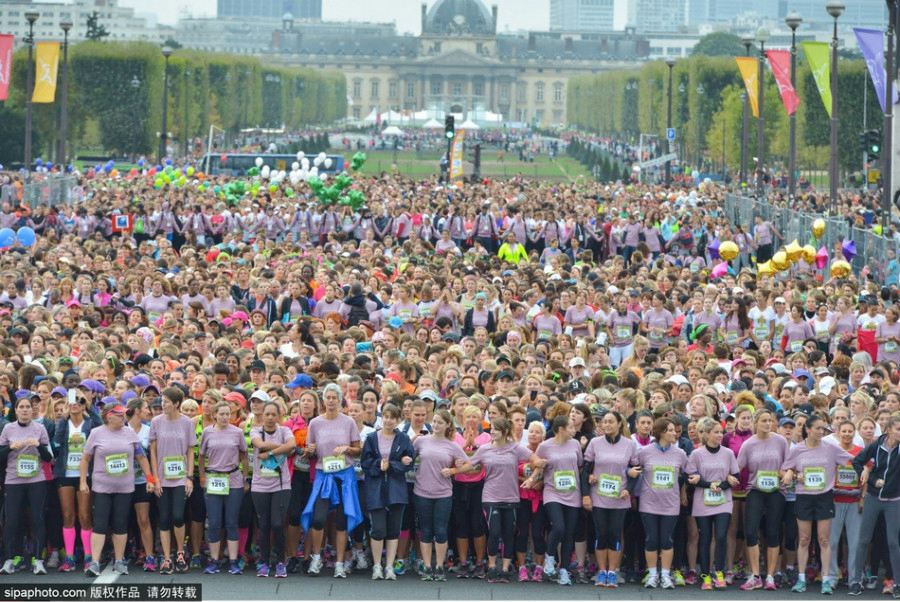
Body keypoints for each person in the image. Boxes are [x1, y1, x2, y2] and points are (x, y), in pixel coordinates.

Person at [79, 403, 154, 576]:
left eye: (124, 414)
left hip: (125, 487)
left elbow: (141, 457)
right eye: (119, 414)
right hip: (102, 487)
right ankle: (95, 563)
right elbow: (85, 459)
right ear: (108, 416)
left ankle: (119, 561)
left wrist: (150, 479)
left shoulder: (129, 433)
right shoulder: (96, 433)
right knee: (100, 524)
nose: (123, 417)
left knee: (120, 524)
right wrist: (83, 482)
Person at [782, 414, 853, 594]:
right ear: (808, 429)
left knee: (824, 539)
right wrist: (793, 475)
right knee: (804, 539)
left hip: (824, 496)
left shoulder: (831, 448)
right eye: (818, 428)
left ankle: (827, 580)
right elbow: (785, 470)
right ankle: (801, 579)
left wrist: (868, 465)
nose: (821, 431)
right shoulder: (797, 449)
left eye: (823, 428)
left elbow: (852, 461)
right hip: (804, 497)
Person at [302, 383, 362, 578]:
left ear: (339, 400)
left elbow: (358, 449)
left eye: (334, 398)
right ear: (323, 400)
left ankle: (339, 562)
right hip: (323, 474)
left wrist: (346, 449)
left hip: (344, 475)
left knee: (342, 521)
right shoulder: (315, 423)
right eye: (327, 397)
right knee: (318, 519)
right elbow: (310, 452)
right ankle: (316, 557)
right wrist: (309, 452)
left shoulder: (349, 422)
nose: (330, 401)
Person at [476, 416, 542, 583]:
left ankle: (505, 568)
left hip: (512, 497)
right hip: (491, 496)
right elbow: (471, 465)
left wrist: (532, 478)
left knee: (508, 534)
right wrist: (454, 470)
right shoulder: (484, 449)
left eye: (495, 429)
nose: (491, 431)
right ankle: (491, 567)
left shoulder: (515, 448)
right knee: (495, 532)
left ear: (504, 432)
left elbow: (537, 461)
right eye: (491, 428)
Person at [412, 408, 471, 581]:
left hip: (443, 493)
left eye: (440, 422)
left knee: (441, 530)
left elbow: (469, 464)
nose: (436, 425)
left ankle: (439, 566)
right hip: (422, 491)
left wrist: (453, 470)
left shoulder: (452, 445)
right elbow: (407, 454)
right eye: (435, 421)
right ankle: (427, 565)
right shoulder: (421, 441)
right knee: (426, 530)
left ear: (447, 425)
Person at [630, 417, 688, 589]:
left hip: (671, 504)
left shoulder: (680, 454)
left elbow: (687, 474)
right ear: (661, 432)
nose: (674, 433)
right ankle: (653, 574)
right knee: (651, 540)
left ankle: (665, 575)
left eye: (675, 430)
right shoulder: (644, 452)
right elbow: (631, 468)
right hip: (649, 503)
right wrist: (629, 473)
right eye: (670, 430)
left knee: (666, 540)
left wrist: (685, 491)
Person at [361, 403, 414, 580]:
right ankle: (377, 565)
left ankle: (389, 566)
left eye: (392, 417)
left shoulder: (404, 439)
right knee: (378, 528)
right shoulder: (371, 438)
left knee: (393, 529)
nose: (389, 420)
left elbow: (409, 462)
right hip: (375, 488)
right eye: (386, 416)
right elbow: (365, 463)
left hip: (396, 489)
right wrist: (379, 465)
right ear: (381, 417)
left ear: (398, 420)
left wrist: (393, 465)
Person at [737, 408, 789, 591]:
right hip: (756, 490)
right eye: (764, 421)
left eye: (770, 420)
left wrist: (786, 473)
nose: (768, 424)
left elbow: (789, 465)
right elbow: (737, 467)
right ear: (755, 423)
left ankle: (770, 576)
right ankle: (755, 575)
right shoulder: (749, 444)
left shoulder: (781, 441)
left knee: (773, 532)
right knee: (751, 532)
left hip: (776, 490)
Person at [0, 396, 53, 574]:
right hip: (13, 480)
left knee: (37, 518)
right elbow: (0, 457)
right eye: (21, 407)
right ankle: (9, 559)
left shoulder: (40, 428)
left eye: (27, 407)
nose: (24, 410)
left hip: (36, 480)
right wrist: (10, 448)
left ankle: (38, 559)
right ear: (16, 410)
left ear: (33, 410)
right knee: (12, 520)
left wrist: (38, 445)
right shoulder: (8, 428)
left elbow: (48, 458)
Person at [685, 416, 739, 590]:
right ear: (707, 434)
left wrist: (724, 485)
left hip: (723, 500)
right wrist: (709, 485)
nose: (720, 435)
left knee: (721, 536)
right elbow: (691, 476)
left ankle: (719, 573)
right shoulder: (697, 454)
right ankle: (705, 576)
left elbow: (735, 476)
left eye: (721, 432)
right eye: (716, 432)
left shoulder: (728, 453)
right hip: (703, 501)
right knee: (705, 537)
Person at [582, 410, 634, 588]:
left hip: (619, 498)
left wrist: (629, 489)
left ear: (620, 424)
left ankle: (612, 572)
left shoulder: (629, 444)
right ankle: (601, 571)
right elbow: (586, 470)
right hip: (599, 496)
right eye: (604, 422)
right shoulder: (595, 443)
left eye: (611, 421)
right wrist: (586, 494)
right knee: (601, 533)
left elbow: (636, 470)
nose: (607, 425)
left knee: (614, 534)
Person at [52, 389, 101, 573]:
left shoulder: (91, 422)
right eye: (72, 402)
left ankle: (89, 556)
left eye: (79, 402)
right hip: (65, 474)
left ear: (84, 405)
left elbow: (100, 426)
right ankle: (70, 557)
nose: (75, 405)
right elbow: (56, 444)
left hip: (85, 475)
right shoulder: (63, 423)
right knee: (68, 516)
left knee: (85, 515)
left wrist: (88, 402)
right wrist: (64, 418)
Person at [149, 386, 196, 575]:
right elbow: (152, 450)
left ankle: (180, 554)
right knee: (164, 519)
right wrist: (155, 479)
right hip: (162, 478)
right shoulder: (156, 422)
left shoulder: (187, 423)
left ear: (176, 404)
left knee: (178, 516)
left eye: (167, 402)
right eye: (162, 401)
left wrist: (189, 477)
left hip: (180, 478)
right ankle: (167, 558)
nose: (163, 405)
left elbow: (190, 450)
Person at [852, 415, 900, 598]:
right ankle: (856, 581)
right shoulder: (876, 445)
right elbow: (857, 462)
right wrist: (872, 479)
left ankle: (897, 583)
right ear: (888, 430)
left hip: (894, 501)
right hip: (873, 497)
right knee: (863, 540)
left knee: (893, 543)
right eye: (898, 429)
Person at [199, 401, 248, 575]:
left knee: (231, 522)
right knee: (213, 522)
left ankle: (233, 561)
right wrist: (203, 477)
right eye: (222, 414)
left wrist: (244, 477)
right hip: (214, 479)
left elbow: (244, 456)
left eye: (228, 414)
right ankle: (214, 560)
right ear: (214, 415)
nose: (225, 417)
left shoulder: (237, 432)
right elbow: (202, 455)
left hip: (233, 479)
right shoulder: (207, 432)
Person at [249, 400, 295, 578]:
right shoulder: (256, 430)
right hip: (260, 485)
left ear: (279, 416)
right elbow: (260, 445)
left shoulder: (284, 430)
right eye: (266, 414)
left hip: (281, 485)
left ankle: (280, 562)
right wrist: (283, 448)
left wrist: (269, 453)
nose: (269, 417)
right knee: (264, 524)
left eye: (273, 414)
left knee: (277, 523)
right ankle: (264, 562)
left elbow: (291, 445)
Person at [827, 420, 863, 592]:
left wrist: (863, 497)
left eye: (850, 431)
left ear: (854, 433)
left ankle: (854, 578)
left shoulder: (860, 452)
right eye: (844, 431)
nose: (847, 434)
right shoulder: (832, 451)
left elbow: (867, 475)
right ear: (838, 432)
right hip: (835, 501)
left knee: (855, 543)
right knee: (832, 542)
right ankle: (832, 576)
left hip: (854, 502)